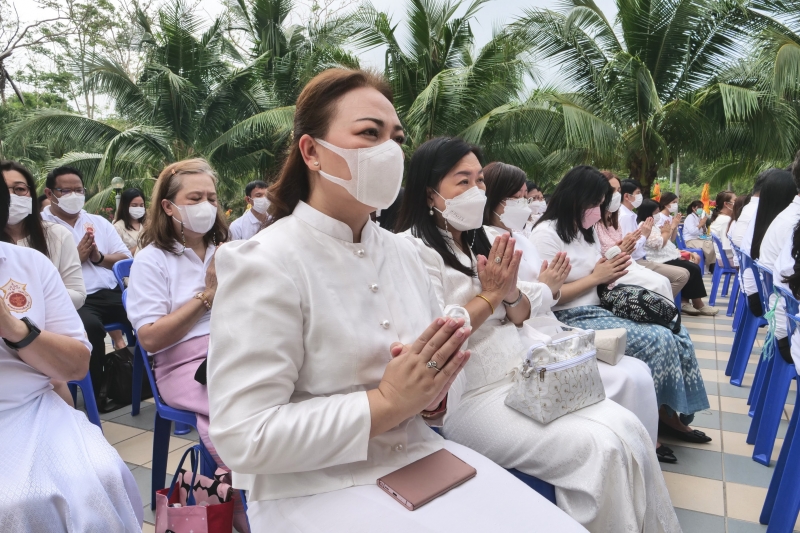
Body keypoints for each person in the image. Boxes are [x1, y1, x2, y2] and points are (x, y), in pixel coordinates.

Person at [206, 68, 585, 532]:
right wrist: (385, 402)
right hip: (311, 486)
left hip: (422, 459)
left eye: (396, 138)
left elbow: (430, 383)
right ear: (312, 152)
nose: (389, 150)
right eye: (369, 133)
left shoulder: (405, 253)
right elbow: (244, 435)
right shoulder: (265, 261)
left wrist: (431, 394)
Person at [397, 141, 679, 532]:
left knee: (629, 431)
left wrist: (509, 293)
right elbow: (439, 333)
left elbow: (519, 310)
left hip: (528, 375)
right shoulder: (414, 250)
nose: (477, 191)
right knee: (602, 450)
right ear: (430, 193)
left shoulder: (484, 241)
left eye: (479, 180)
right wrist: (493, 294)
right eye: (462, 182)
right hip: (474, 396)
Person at [480, 161, 662, 452]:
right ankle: (620, 445)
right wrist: (548, 287)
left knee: (638, 371)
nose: (525, 204)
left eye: (526, 196)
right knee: (628, 376)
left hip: (549, 322)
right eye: (516, 198)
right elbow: (522, 300)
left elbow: (541, 292)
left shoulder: (522, 239)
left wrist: (595, 276)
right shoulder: (498, 239)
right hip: (535, 330)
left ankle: (640, 447)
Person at [529, 166, 712, 446]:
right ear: (575, 198)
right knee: (657, 339)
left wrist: (608, 272)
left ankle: (669, 413)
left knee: (676, 330)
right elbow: (548, 296)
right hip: (568, 317)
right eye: (595, 203)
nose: (598, 209)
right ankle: (645, 424)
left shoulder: (584, 229)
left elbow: (596, 276)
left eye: (600, 203)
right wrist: (596, 277)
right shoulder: (547, 234)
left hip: (599, 306)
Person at [0, 183, 143, 531]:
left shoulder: (29, 262)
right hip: (88, 302)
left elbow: (75, 363)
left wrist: (14, 328)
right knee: (16, 503)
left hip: (31, 404)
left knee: (103, 474)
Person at [126, 159, 248, 532]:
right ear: (168, 206)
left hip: (239, 346)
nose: (206, 205)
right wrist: (207, 296)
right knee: (250, 408)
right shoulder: (152, 260)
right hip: (185, 363)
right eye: (194, 197)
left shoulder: (229, 249)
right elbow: (150, 338)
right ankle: (247, 504)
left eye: (211, 197)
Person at [41, 166, 133, 413]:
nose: (74, 195)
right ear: (50, 193)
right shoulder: (41, 227)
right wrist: (75, 259)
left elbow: (124, 258)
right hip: (75, 299)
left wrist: (98, 257)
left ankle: (143, 380)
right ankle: (97, 392)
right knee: (90, 329)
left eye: (78, 190)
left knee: (148, 314)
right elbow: (41, 274)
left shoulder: (97, 222)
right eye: (66, 190)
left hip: (110, 292)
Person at [2, 160, 87, 406]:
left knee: (90, 329)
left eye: (19, 189)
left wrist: (41, 299)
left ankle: (101, 394)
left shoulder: (56, 236)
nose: (10, 197)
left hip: (55, 319)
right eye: (3, 190)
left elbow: (78, 294)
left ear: (31, 192)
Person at [599, 174, 677, 300]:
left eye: (618, 190)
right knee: (663, 283)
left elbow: (623, 246)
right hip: (626, 264)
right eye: (612, 191)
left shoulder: (615, 218)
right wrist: (646, 235)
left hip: (630, 262)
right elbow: (624, 249)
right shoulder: (621, 217)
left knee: (664, 282)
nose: (616, 195)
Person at [638, 199, 717, 315]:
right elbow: (659, 244)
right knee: (692, 269)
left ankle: (686, 301)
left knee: (692, 265)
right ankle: (697, 303)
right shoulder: (644, 226)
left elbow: (671, 240)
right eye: (655, 212)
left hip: (668, 256)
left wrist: (672, 229)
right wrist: (667, 231)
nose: (657, 215)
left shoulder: (653, 225)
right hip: (659, 260)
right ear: (648, 212)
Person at [682, 200, 716, 269]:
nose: (701, 209)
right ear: (693, 208)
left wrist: (703, 226)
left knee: (712, 242)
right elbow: (692, 231)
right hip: (690, 240)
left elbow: (703, 231)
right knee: (708, 245)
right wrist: (701, 224)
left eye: (701, 207)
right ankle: (710, 265)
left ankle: (711, 263)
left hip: (697, 238)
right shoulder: (690, 217)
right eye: (699, 207)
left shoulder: (698, 217)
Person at [113, 188, 146, 256]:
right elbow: (117, 256)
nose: (138, 208)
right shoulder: (118, 227)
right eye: (134, 205)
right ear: (125, 206)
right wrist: (142, 245)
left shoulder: (147, 224)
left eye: (141, 205)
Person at [709, 190, 736, 263]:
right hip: (728, 259)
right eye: (735, 201)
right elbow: (727, 246)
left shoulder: (721, 217)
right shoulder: (726, 220)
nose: (737, 203)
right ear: (726, 204)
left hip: (723, 257)